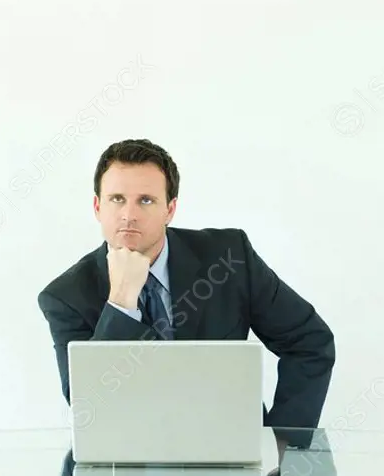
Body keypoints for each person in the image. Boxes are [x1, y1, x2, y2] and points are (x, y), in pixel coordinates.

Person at [37, 138, 337, 455]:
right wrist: (121, 301)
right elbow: (90, 407)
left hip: (231, 460)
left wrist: (282, 443)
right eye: (117, 199)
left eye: (146, 201)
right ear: (98, 207)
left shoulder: (229, 259)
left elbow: (310, 341)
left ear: (170, 209)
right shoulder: (65, 297)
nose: (129, 214)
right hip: (126, 468)